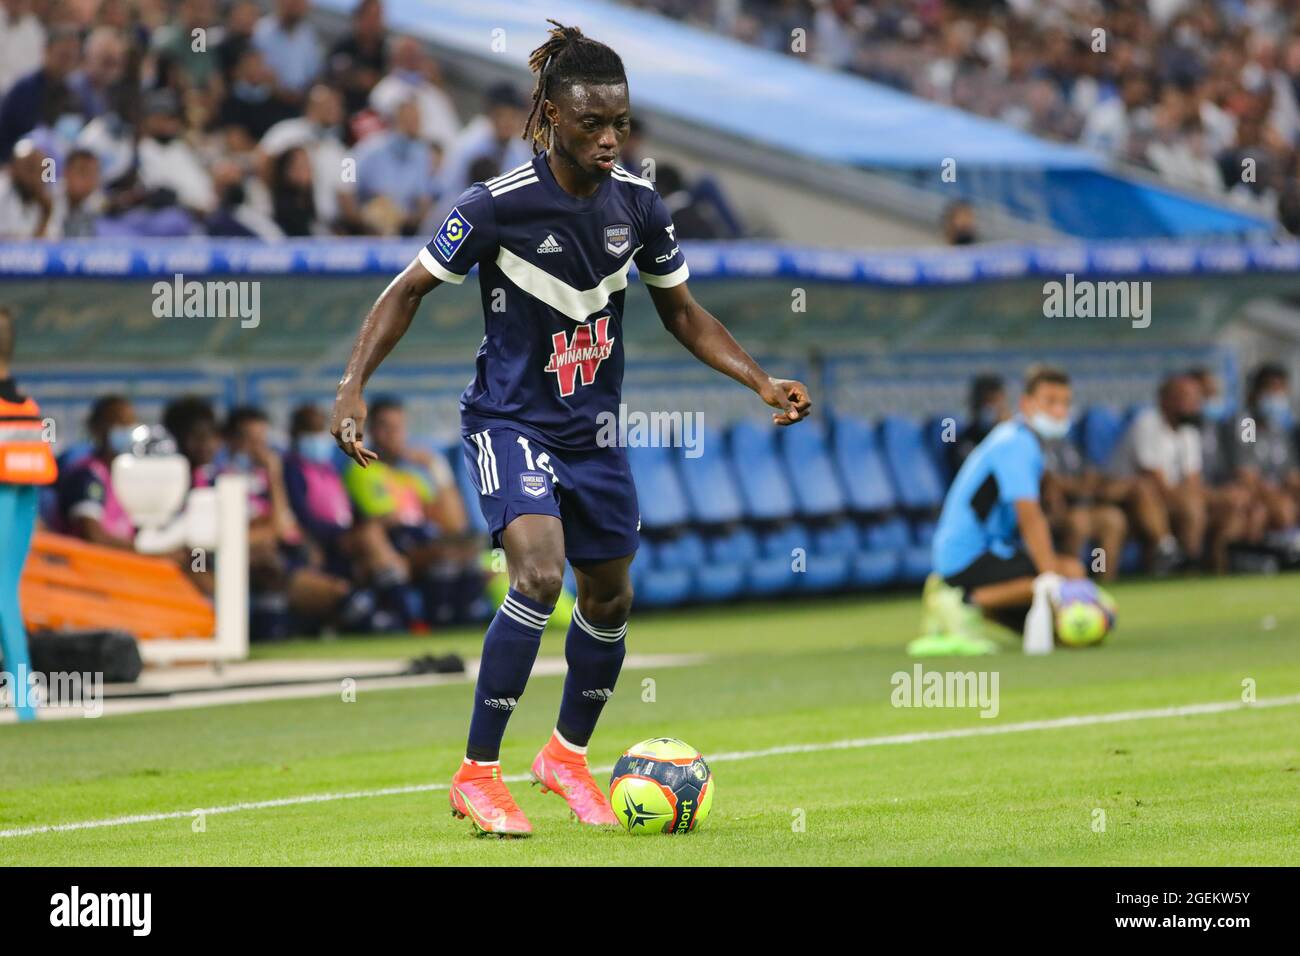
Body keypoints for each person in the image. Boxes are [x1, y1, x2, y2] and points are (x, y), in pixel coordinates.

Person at [329, 20, 811, 836]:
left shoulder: (640, 209)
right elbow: (406, 290)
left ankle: (564, 755)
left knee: (612, 596)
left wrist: (760, 379)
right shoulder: (495, 208)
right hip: (509, 421)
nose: (610, 137)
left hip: (593, 434)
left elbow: (684, 314)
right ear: (550, 117)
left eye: (620, 121)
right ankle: (477, 773)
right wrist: (352, 387)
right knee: (538, 579)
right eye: (593, 123)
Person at [919, 365, 1087, 656]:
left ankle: (978, 606)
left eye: (1065, 403)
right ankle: (962, 601)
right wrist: (1051, 578)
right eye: (1050, 402)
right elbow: (1029, 515)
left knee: (1066, 634)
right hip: (967, 556)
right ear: (1026, 404)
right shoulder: (1015, 444)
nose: (1060, 411)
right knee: (1070, 572)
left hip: (993, 551)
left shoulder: (1023, 440)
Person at [0, 307, 58, 722]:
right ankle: (25, 704)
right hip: (23, 497)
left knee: (3, 595)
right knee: (6, 594)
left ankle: (25, 705)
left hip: (8, 494)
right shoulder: (27, 406)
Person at [1107, 373, 1209, 571]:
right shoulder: (1146, 423)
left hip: (1166, 498)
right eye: (1186, 397)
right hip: (1126, 498)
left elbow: (1193, 480)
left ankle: (1189, 564)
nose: (1194, 403)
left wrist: (1190, 499)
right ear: (1166, 400)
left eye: (1196, 398)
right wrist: (1185, 499)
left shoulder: (1189, 430)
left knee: (1195, 505)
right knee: (1144, 489)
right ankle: (1166, 548)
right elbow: (1154, 479)